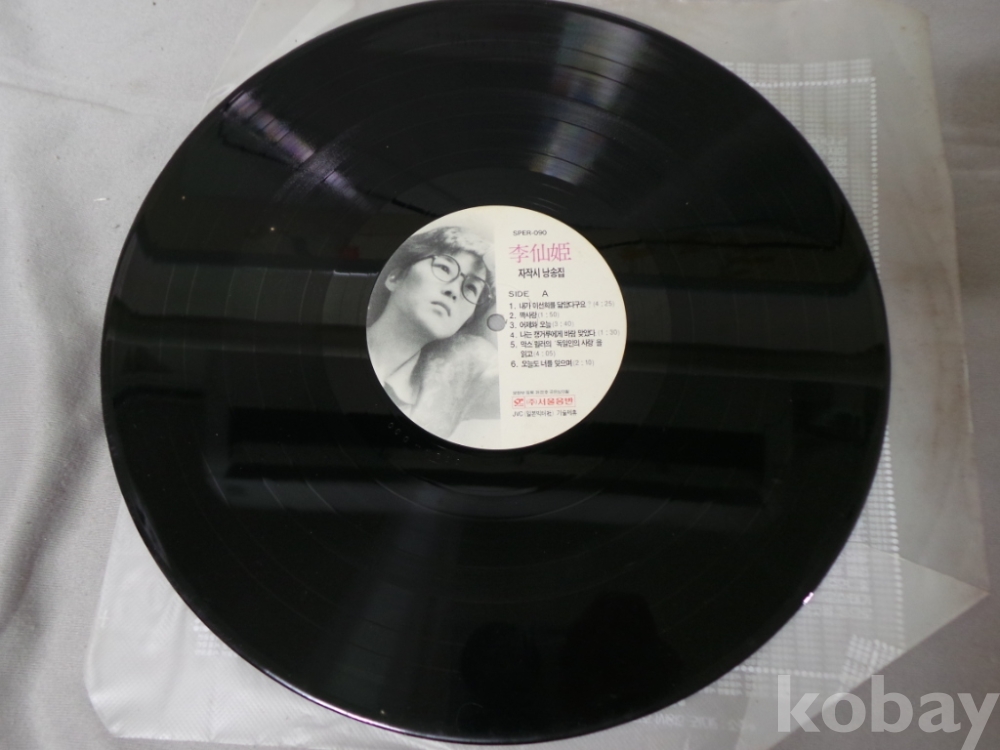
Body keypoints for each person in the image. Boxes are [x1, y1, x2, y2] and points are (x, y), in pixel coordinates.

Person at [367, 225, 500, 441]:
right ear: (395, 277)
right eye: (445, 268)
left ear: (467, 319)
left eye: (471, 288)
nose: (454, 290)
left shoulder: (451, 383)